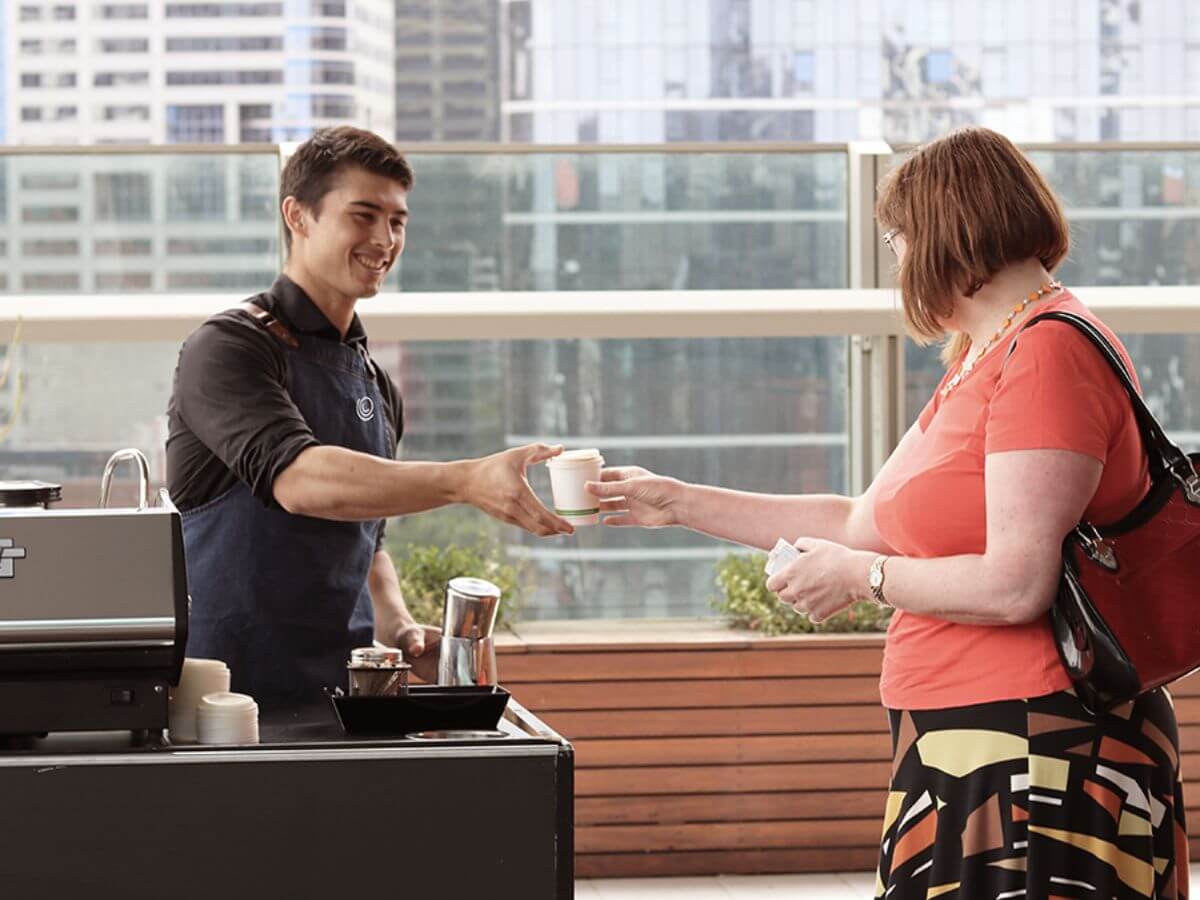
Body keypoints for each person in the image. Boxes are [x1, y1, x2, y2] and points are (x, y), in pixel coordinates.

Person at [587, 127, 1188, 898]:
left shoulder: (1046, 355)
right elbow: (857, 523)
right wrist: (672, 502)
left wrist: (863, 580)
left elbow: (1015, 585)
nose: (898, 260)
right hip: (973, 741)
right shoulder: (986, 351)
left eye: (900, 238)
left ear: (949, 231)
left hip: (1038, 748)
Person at [166, 126, 573, 708]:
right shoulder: (228, 347)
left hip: (341, 697)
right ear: (298, 216)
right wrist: (465, 480)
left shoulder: (376, 384)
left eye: (398, 221)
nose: (384, 238)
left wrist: (401, 627)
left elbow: (366, 540)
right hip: (223, 702)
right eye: (363, 215)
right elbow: (302, 482)